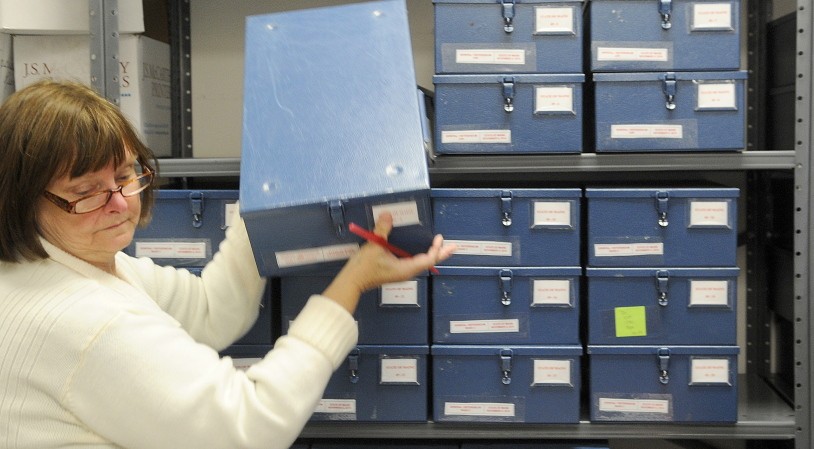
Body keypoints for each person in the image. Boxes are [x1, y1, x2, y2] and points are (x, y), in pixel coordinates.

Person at [0, 79, 454, 449]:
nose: (118, 203)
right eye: (86, 192)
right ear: (22, 200)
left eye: (124, 176)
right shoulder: (88, 321)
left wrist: (268, 197)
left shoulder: (69, 264)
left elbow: (210, 310)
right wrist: (349, 285)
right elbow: (251, 425)